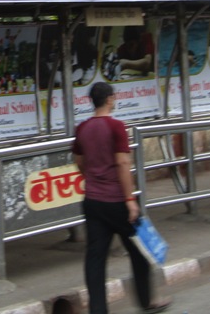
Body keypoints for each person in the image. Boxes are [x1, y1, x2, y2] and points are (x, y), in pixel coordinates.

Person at [72, 82, 171, 314]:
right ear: (109, 99)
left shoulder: (82, 128)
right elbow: (123, 163)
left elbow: (78, 161)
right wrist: (129, 199)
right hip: (116, 200)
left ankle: (98, 310)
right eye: (113, 97)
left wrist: (92, 178)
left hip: (92, 200)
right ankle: (147, 301)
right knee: (139, 250)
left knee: (95, 258)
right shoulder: (116, 126)